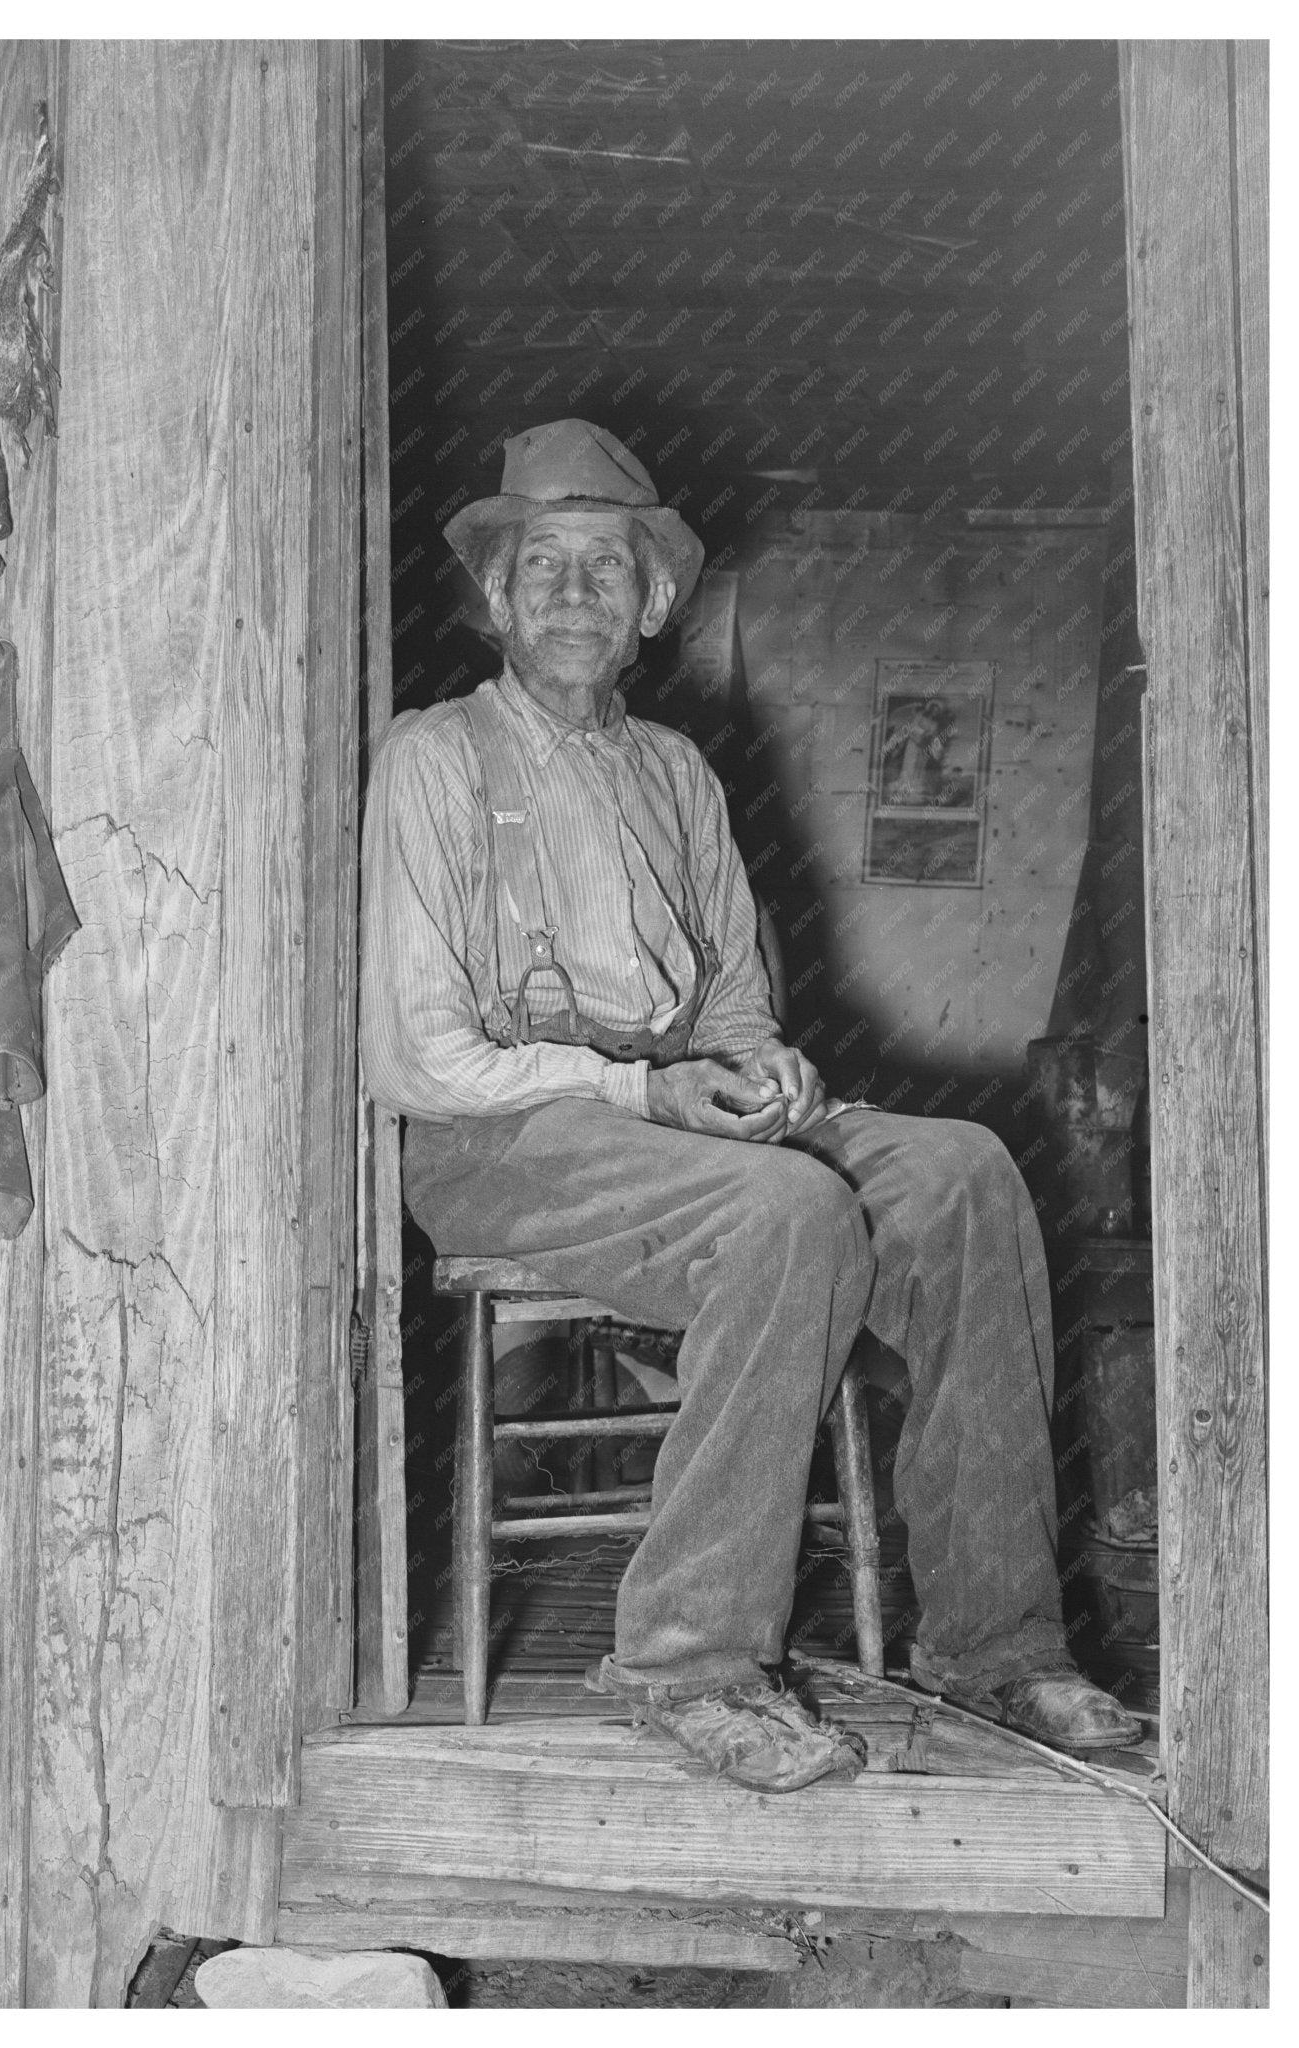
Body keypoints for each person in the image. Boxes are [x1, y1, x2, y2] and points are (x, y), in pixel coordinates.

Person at [359, 419, 1139, 1792]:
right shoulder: (435, 761)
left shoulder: (677, 771)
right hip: (504, 1139)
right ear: (496, 595)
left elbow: (729, 999)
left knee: (962, 1173)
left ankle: (998, 1642)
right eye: (544, 565)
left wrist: (757, 1066)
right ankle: (691, 1660)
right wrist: (644, 1086)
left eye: (609, 567)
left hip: (668, 1117)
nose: (576, 594)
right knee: (786, 1212)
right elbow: (419, 1058)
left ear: (653, 600)